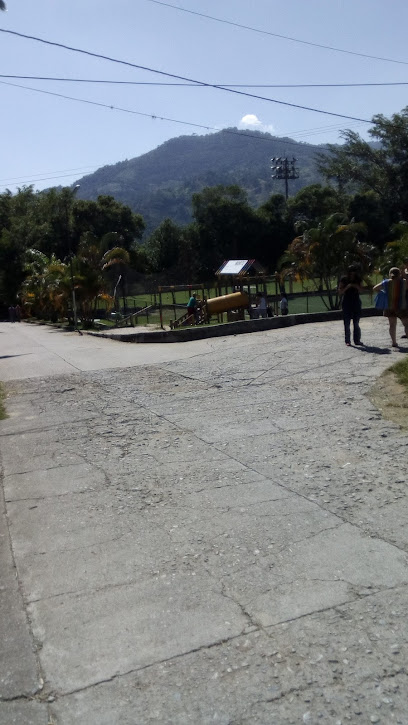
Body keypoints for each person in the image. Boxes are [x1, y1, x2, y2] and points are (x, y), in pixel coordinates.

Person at [373, 267, 408, 347]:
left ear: (390, 274)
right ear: (399, 274)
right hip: (401, 305)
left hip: (389, 306)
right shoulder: (404, 282)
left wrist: (383, 292)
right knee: (406, 324)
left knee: (392, 325)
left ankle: (394, 342)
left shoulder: (386, 283)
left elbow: (375, 288)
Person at [338, 267, 364, 346]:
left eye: (354, 272)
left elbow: (361, 290)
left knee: (356, 322)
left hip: (356, 302)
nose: (352, 274)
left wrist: (355, 286)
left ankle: (357, 340)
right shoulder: (344, 279)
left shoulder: (358, 279)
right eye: (351, 272)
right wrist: (347, 287)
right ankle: (347, 340)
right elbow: (340, 291)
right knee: (347, 323)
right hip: (346, 302)